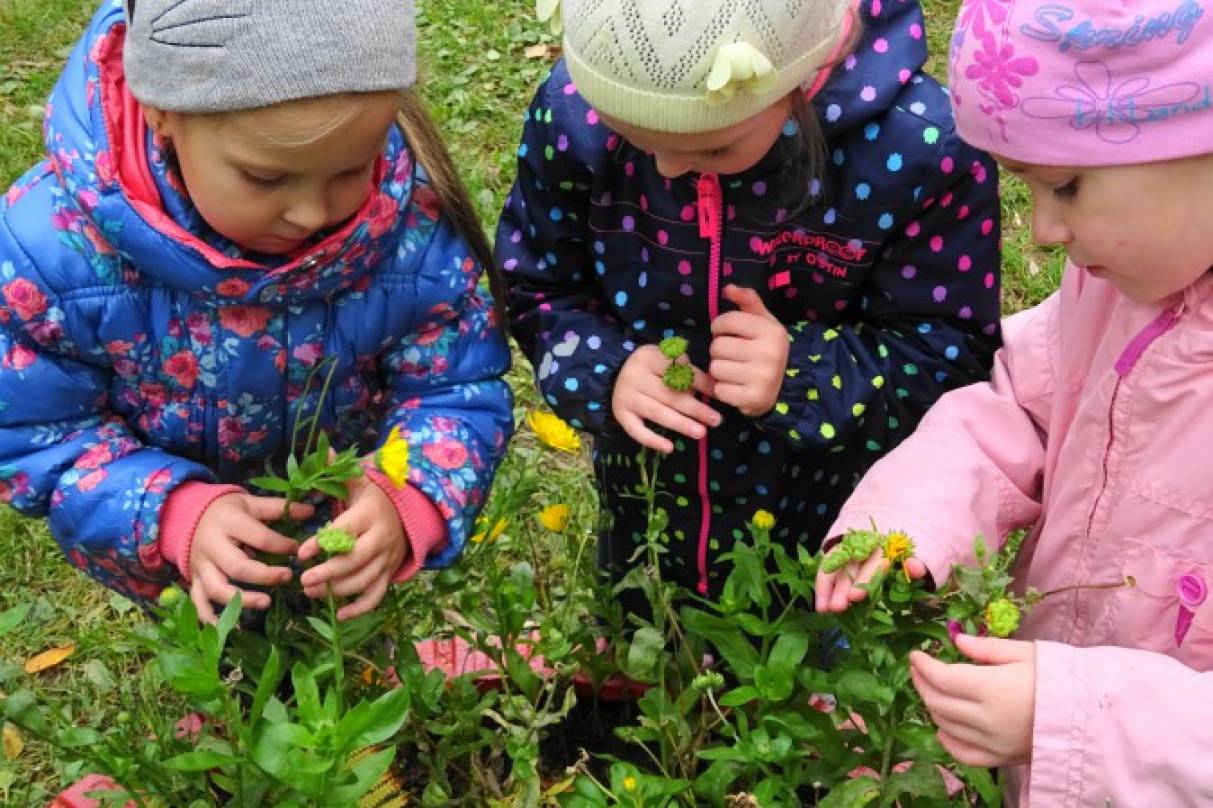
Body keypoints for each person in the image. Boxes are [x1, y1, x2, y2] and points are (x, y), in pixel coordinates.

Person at [0, 0, 513, 623]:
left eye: (351, 168)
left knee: (335, 677)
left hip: (340, 552)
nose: (311, 213)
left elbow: (454, 386)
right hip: (176, 558)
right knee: (223, 673)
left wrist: (411, 494)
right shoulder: (54, 253)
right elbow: (36, 432)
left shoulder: (410, 230)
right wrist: (168, 511)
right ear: (163, 113)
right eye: (265, 179)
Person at [816, 1, 1213, 803]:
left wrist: (1075, 722)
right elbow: (1024, 408)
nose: (1041, 232)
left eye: (1064, 186)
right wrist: (911, 522)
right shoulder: (1115, 293)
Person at [496, 0, 1002, 608]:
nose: (666, 166)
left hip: (820, 514)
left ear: (803, 80)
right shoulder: (577, 115)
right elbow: (537, 281)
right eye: (633, 138)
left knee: (807, 652)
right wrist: (605, 368)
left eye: (712, 152)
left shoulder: (917, 152)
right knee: (647, 640)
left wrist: (802, 376)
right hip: (645, 496)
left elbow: (949, 354)